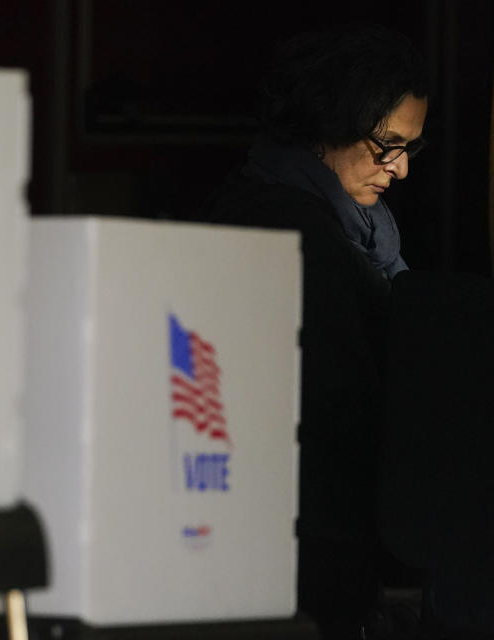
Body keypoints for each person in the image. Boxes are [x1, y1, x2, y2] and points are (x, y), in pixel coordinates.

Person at [200, 25, 429, 639]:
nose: (400, 169)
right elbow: (340, 411)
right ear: (327, 123)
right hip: (301, 540)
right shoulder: (292, 230)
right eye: (387, 145)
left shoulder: (350, 222)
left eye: (410, 148)